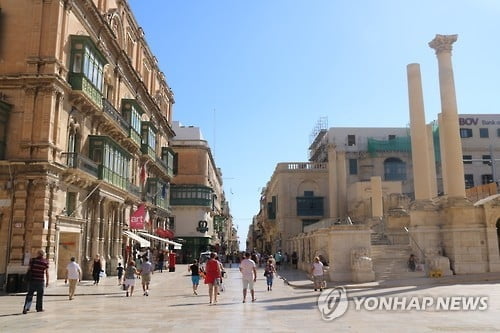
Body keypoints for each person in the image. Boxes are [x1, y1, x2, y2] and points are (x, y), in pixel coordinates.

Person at [22, 249, 49, 314]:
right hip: (40, 281)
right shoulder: (45, 262)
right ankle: (39, 308)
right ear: (43, 255)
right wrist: (47, 281)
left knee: (30, 295)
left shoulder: (33, 260)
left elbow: (29, 269)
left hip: (32, 280)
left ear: (38, 254)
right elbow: (47, 272)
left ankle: (26, 308)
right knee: (40, 295)